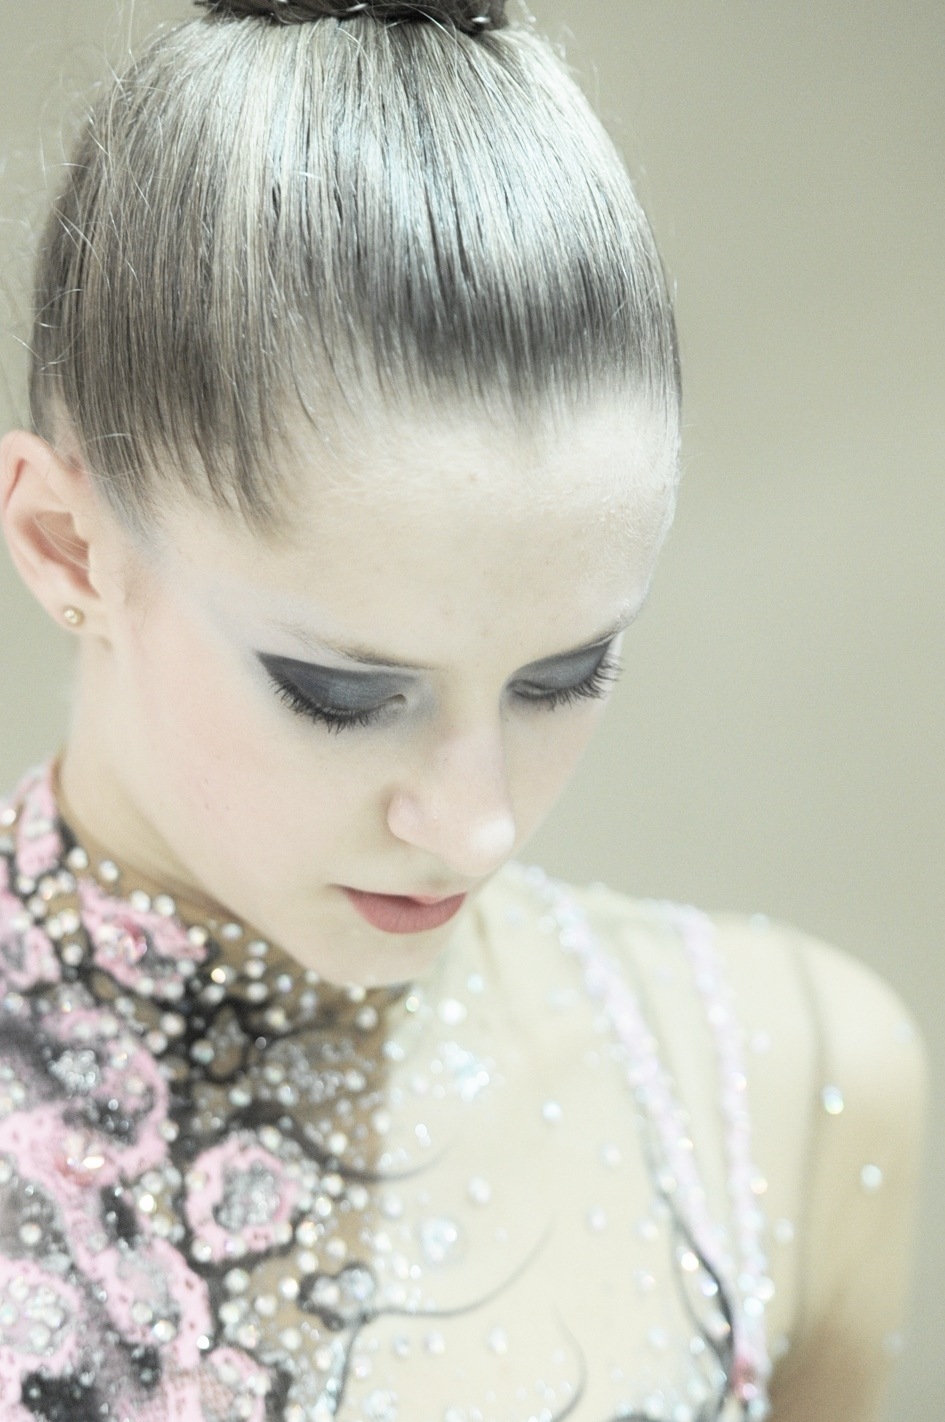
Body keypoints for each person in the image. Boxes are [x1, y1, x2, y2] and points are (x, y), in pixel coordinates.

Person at [0, 1, 926, 1418]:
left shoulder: (783, 1087)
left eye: (564, 677)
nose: (477, 824)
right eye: (341, 692)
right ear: (68, 547)